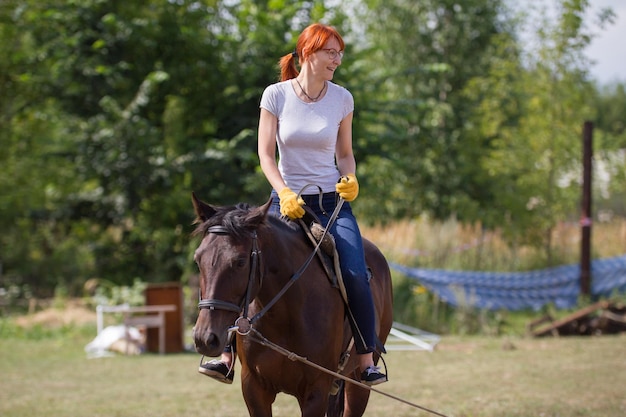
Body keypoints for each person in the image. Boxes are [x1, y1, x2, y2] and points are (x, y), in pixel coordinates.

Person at [199, 22, 387, 386]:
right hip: (283, 203)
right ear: (307, 54)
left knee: (354, 272)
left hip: (331, 204)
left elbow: (345, 154)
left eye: (339, 52)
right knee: (245, 264)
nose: (338, 59)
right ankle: (226, 355)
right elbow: (265, 155)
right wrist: (284, 192)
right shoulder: (276, 95)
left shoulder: (342, 98)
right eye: (330, 52)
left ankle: (365, 358)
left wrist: (350, 177)